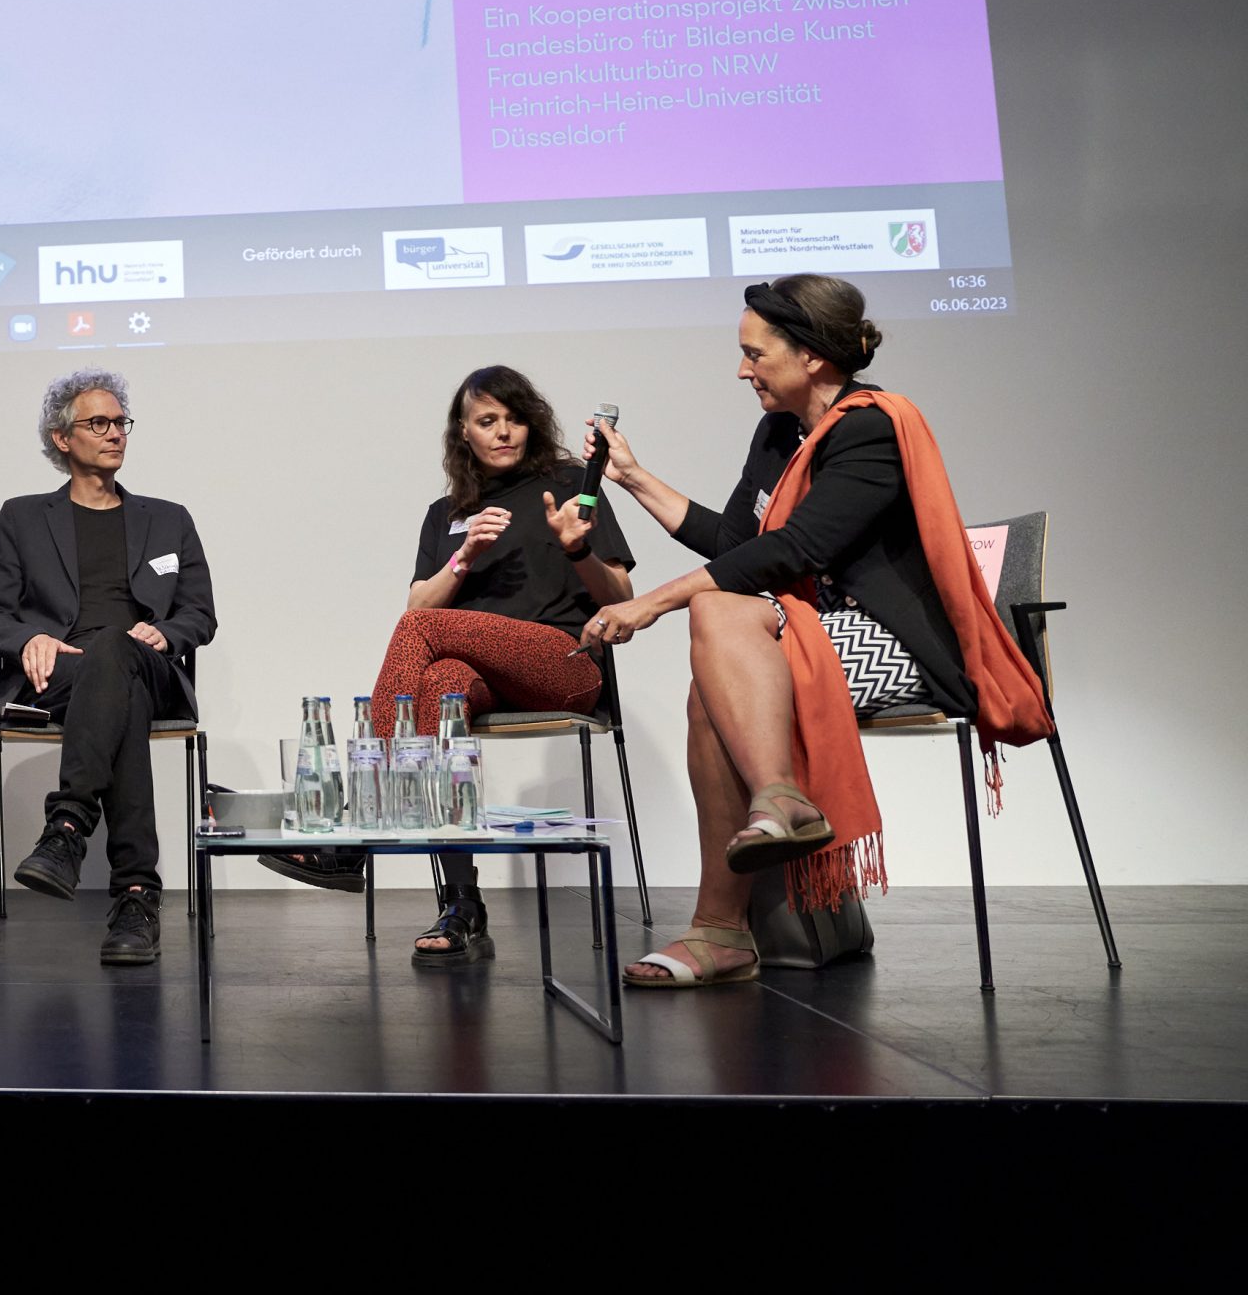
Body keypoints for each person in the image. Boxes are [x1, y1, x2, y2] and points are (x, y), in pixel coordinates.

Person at [581, 276, 1054, 986]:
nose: (742, 371)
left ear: (812, 357)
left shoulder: (872, 429)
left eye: (755, 354)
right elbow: (736, 543)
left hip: (899, 641)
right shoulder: (779, 434)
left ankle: (722, 926)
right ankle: (779, 810)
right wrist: (634, 477)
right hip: (814, 629)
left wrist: (651, 603)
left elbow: (795, 549)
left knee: (712, 664)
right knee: (718, 628)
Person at [309, 367, 635, 965]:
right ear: (464, 432)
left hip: (564, 663)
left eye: (514, 419)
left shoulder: (568, 483)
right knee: (439, 685)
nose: (504, 432)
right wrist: (465, 554)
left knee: (418, 632)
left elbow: (619, 594)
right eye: (488, 421)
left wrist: (577, 548)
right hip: (486, 680)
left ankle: (362, 822)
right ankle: (461, 901)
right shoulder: (446, 513)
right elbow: (422, 602)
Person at [0, 369, 217, 966]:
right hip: (58, 675)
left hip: (148, 665)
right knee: (115, 683)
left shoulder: (168, 518)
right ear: (62, 438)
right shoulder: (23, 517)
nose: (115, 434)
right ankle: (136, 895)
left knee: (117, 652)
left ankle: (70, 825)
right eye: (97, 423)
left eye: (120, 423)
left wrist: (166, 631)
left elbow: (200, 615)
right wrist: (30, 636)